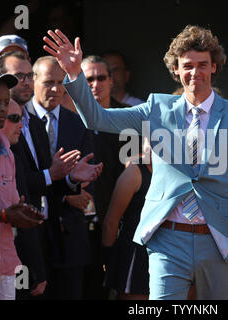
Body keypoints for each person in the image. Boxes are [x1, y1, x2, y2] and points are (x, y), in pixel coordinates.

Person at [43, 25, 228, 300]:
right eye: (187, 66)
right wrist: (74, 73)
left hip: (218, 239)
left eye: (202, 65)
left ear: (214, 67)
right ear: (175, 69)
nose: (195, 73)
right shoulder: (156, 108)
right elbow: (97, 119)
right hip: (167, 239)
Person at [0, 51, 103, 299]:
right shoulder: (15, 128)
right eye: (48, 82)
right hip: (21, 246)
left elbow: (40, 183)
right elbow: (28, 185)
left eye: (60, 82)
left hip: (56, 241)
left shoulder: (36, 126)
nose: (55, 89)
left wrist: (71, 182)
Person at [80, 55, 129, 299]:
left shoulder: (129, 118)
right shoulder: (71, 118)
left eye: (101, 78)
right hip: (82, 222)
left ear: (111, 81)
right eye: (88, 79)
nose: (95, 84)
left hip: (122, 221)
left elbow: (134, 171)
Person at [0, 73, 45, 300]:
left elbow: (13, 210)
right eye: (12, 117)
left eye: (5, 103)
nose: (2, 109)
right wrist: (4, 216)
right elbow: (5, 214)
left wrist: (23, 213)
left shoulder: (8, 153)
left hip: (6, 266)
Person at [102, 140, 151, 300]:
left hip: (166, 253)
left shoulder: (177, 173)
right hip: (135, 255)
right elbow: (111, 221)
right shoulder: (134, 173)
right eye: (151, 141)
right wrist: (108, 258)